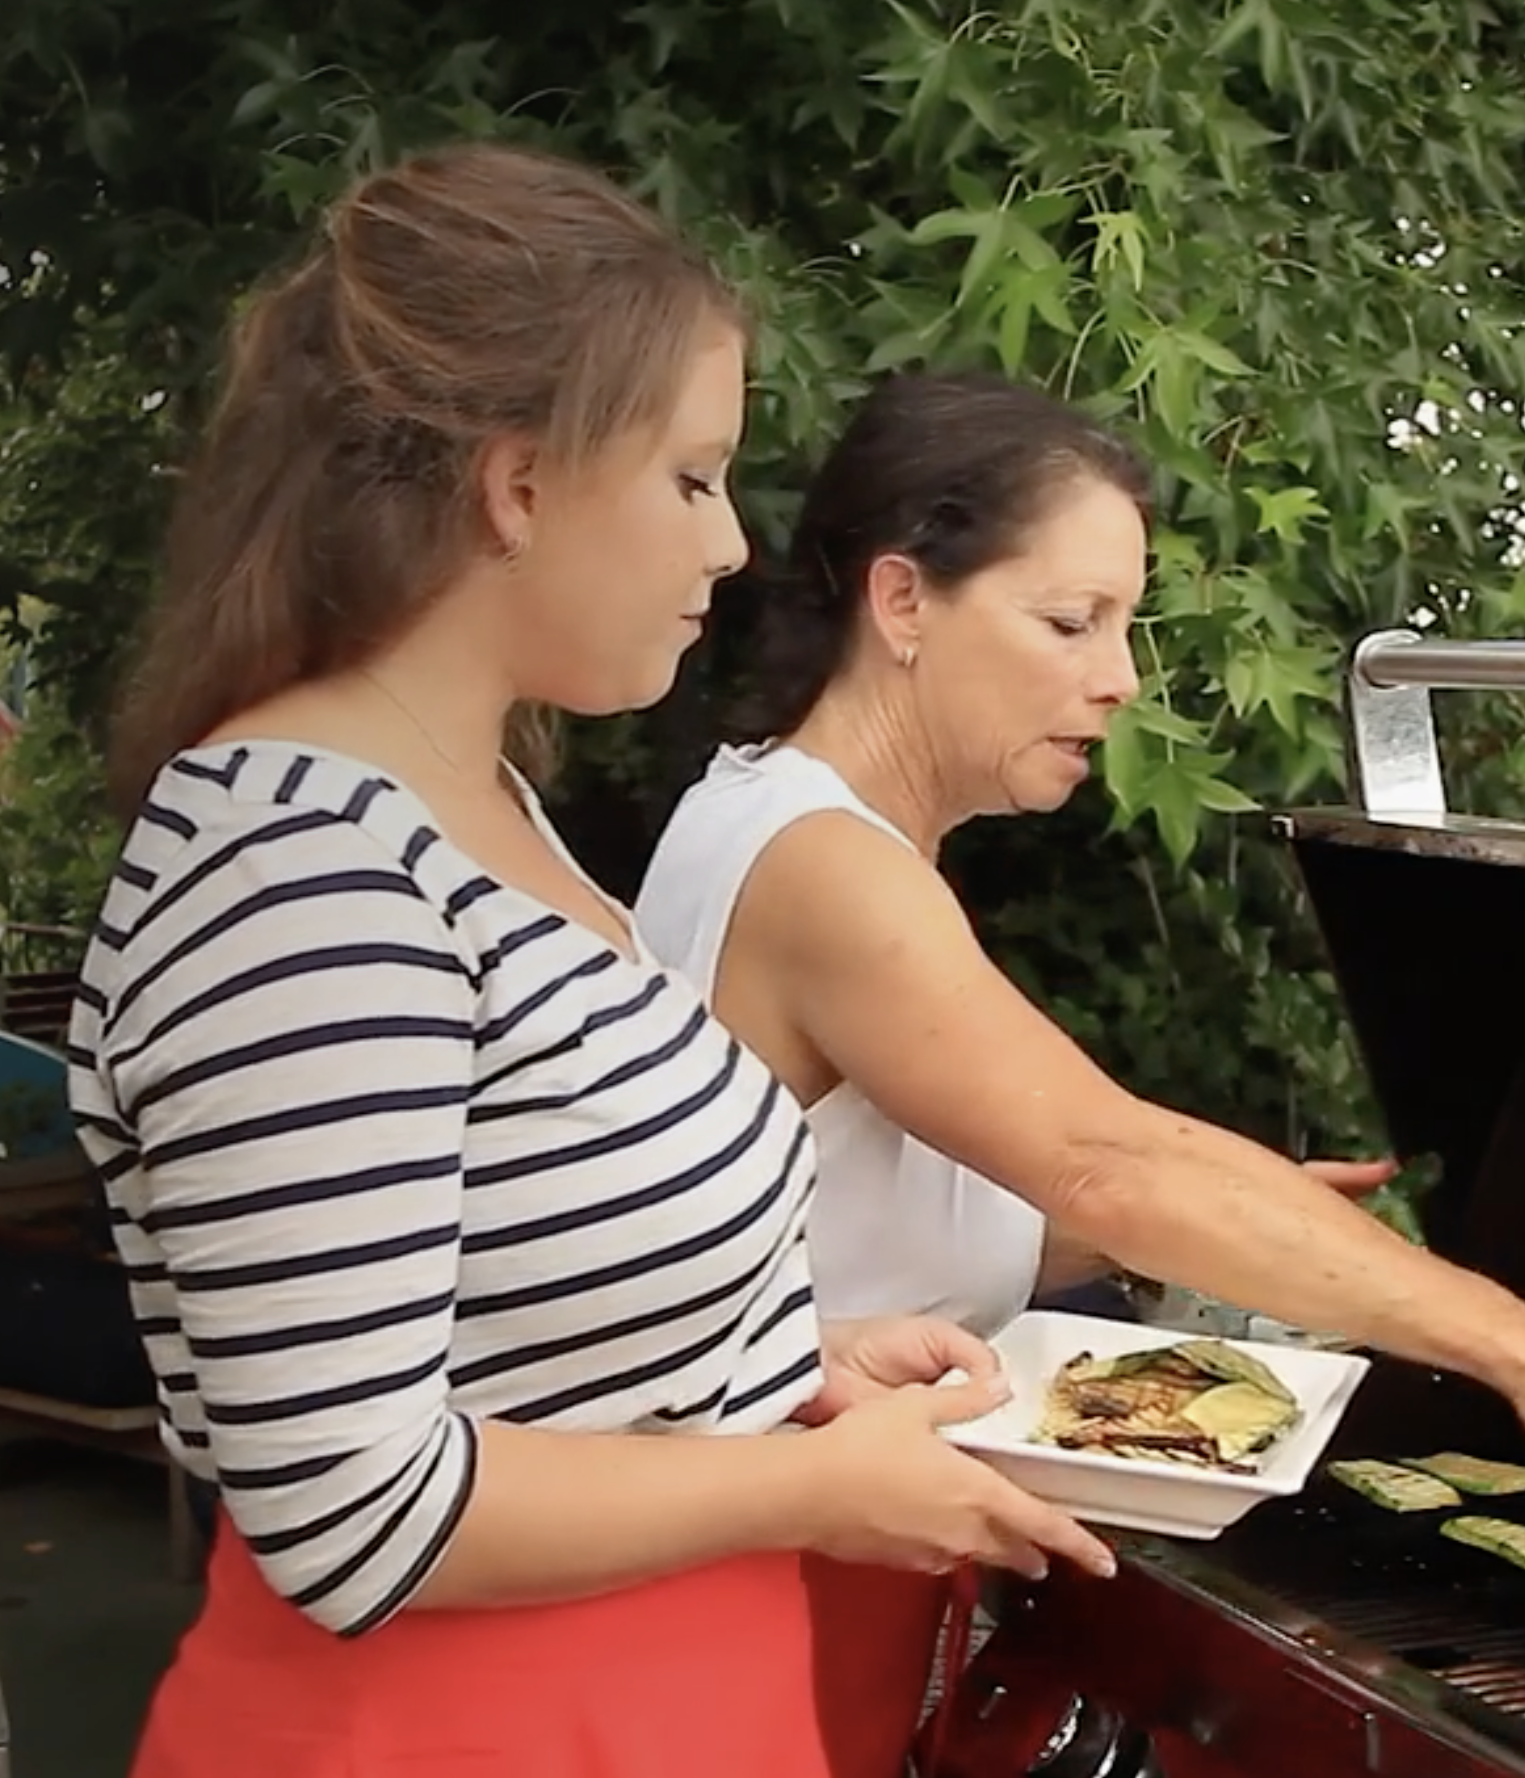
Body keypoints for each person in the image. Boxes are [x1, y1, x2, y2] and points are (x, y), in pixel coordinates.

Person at [69, 147, 1112, 1778]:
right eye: (693, 477)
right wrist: (807, 1487)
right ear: (521, 483)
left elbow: (511, 1319)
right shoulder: (303, 869)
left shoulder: (485, 804)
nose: (727, 549)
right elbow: (351, 1506)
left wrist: (785, 1370)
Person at [635, 371, 1525, 1771]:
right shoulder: (823, 862)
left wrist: (1271, 1222)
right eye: (1069, 621)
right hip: (750, 1611)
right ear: (901, 602)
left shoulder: (778, 814)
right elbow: (1108, 1160)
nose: (1119, 677)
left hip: (810, 1577)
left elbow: (854, 1196)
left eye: (1122, 625)